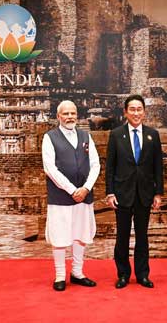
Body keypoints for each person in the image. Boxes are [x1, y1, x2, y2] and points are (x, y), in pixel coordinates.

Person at [105, 94, 164, 289]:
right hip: (122, 194)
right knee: (122, 237)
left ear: (144, 112)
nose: (136, 113)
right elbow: (110, 167)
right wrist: (110, 192)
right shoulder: (115, 135)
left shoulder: (152, 135)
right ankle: (122, 274)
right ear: (125, 112)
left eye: (139, 109)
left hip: (144, 194)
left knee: (142, 236)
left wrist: (158, 193)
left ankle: (142, 275)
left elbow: (158, 167)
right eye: (132, 109)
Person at [42, 100, 101, 291]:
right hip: (61, 197)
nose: (70, 117)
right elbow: (50, 168)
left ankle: (77, 272)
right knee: (60, 235)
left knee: (80, 234)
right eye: (65, 114)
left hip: (84, 195)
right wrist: (71, 190)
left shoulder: (85, 136)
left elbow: (95, 164)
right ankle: (60, 275)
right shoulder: (50, 137)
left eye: (73, 113)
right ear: (58, 116)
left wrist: (85, 188)